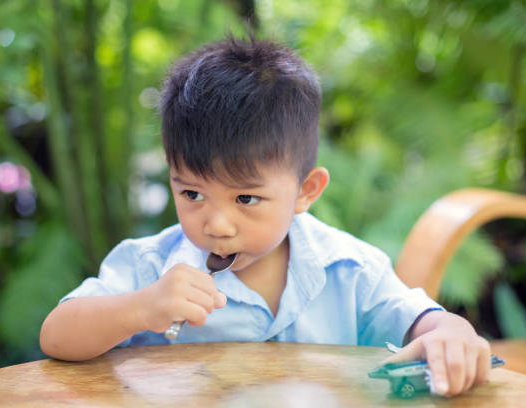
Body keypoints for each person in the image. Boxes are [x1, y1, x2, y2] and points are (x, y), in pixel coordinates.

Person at [40, 36, 491, 397]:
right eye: (193, 193)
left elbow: (420, 321)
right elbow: (56, 337)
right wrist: (141, 307)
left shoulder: (349, 270)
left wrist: (450, 330)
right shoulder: (151, 267)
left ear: (305, 190)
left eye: (246, 199)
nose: (216, 224)